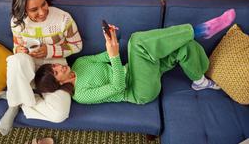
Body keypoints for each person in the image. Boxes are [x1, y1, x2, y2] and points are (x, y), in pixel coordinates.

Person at [34, 9, 236, 105]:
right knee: (136, 42)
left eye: (54, 66)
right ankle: (199, 30)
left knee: (185, 46)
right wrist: (114, 58)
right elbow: (117, 88)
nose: (59, 68)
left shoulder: (79, 63)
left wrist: (113, 37)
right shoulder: (81, 95)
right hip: (139, 91)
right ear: (58, 84)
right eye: (56, 73)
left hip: (139, 71)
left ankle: (199, 80)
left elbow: (108, 54)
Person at [0, 0, 82, 135]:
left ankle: (18, 98)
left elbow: (77, 45)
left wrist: (50, 50)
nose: (42, 12)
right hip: (29, 65)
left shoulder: (63, 19)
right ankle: (13, 105)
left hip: (54, 70)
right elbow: (16, 48)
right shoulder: (17, 23)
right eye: (34, 9)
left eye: (44, 4)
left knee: (60, 114)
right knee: (15, 60)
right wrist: (19, 50)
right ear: (23, 10)